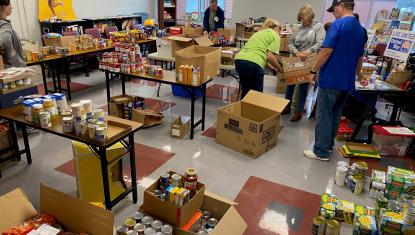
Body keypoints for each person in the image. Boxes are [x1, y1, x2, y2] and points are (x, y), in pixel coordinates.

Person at [304, 0, 365, 161]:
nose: (333, 13)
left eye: (334, 10)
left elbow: (326, 51)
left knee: (324, 115)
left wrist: (313, 70)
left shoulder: (338, 25)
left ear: (341, 6)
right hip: (346, 81)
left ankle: (321, 151)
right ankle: (328, 146)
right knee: (335, 114)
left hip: (331, 78)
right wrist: (359, 75)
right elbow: (360, 56)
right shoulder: (360, 29)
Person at [286, 4, 325, 122]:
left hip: (309, 59)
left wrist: (308, 51)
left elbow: (320, 42)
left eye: (305, 19)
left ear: (311, 17)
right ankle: (287, 107)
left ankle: (298, 112)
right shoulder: (297, 27)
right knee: (290, 85)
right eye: (301, 18)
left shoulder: (318, 27)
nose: (303, 21)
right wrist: (297, 52)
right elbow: (290, 43)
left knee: (302, 86)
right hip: (296, 58)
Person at [234, 18, 283, 98]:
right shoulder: (275, 35)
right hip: (253, 64)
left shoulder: (259, 33)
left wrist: (273, 70)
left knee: (246, 93)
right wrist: (280, 69)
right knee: (257, 96)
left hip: (239, 61)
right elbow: (270, 57)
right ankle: (253, 110)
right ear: (277, 28)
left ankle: (244, 110)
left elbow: (260, 57)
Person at [0, 0, 25, 68]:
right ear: (3, 7)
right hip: (13, 69)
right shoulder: (4, 24)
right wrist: (9, 53)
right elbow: (4, 42)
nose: (11, 7)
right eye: (10, 5)